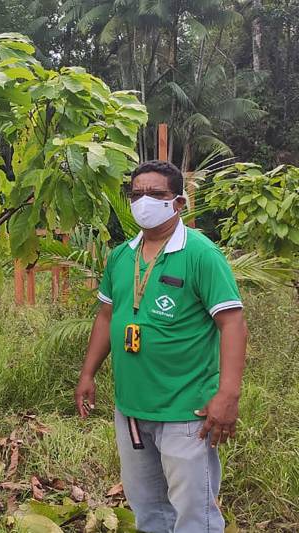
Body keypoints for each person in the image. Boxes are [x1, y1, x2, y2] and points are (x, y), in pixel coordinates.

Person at [74, 161, 248, 533]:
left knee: (194, 516)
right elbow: (106, 316)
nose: (144, 202)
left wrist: (228, 394)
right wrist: (88, 374)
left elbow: (232, 323)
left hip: (186, 411)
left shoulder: (200, 254)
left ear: (179, 202)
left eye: (156, 194)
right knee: (148, 510)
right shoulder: (122, 256)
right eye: (137, 194)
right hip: (132, 409)